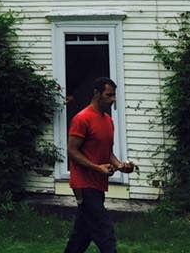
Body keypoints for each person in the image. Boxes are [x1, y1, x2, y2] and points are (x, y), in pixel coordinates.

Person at [63, 76, 135, 253]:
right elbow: (72, 150)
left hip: (98, 185)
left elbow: (106, 153)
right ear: (97, 93)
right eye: (108, 95)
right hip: (83, 184)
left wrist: (121, 165)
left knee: (82, 235)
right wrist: (97, 168)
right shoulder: (82, 118)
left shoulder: (108, 121)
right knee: (105, 232)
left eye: (113, 96)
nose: (112, 100)